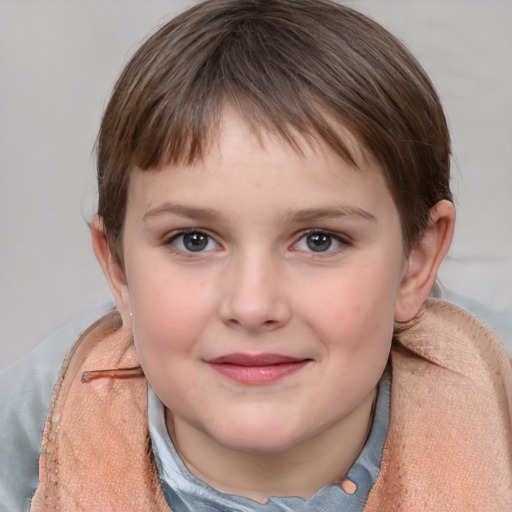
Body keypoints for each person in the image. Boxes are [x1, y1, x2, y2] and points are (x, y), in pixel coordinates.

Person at [1, 0, 511, 510]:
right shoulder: (34, 444)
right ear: (118, 269)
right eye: (193, 240)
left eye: (319, 240)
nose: (252, 305)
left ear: (415, 264)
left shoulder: (494, 404)